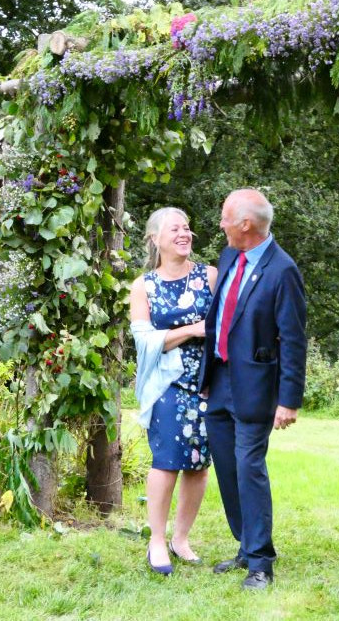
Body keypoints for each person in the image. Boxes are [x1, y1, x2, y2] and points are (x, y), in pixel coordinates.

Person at [199, 188, 307, 590]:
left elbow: (294, 339)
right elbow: (219, 318)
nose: (221, 224)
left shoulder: (283, 270)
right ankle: (245, 545)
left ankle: (261, 563)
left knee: (249, 468)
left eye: (226, 217)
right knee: (226, 467)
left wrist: (289, 400)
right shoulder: (229, 257)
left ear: (246, 224)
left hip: (257, 387)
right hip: (220, 380)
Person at [130, 207, 217, 576]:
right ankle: (156, 541)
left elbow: (227, 323)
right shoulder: (143, 285)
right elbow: (144, 338)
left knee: (198, 464)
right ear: (155, 239)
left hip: (209, 385)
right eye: (175, 229)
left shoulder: (210, 275)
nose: (184, 233)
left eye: (187, 227)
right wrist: (193, 330)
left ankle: (181, 538)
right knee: (166, 462)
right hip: (167, 385)